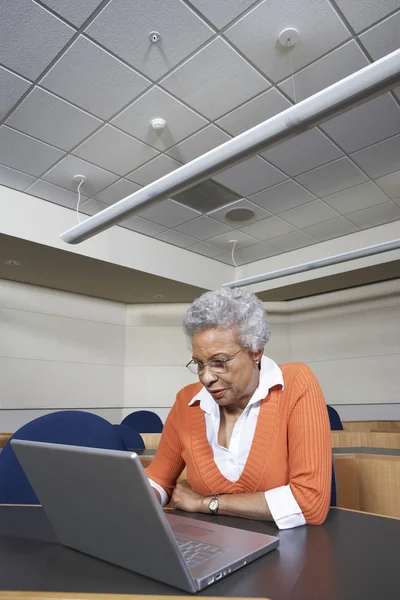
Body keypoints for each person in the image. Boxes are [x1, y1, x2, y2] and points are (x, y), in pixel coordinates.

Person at [146, 287, 332, 529]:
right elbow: (159, 479)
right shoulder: (186, 401)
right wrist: (140, 499)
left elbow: (310, 503)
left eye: (219, 363)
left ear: (256, 351)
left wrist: (206, 503)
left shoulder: (295, 383)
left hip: (285, 552)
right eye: (199, 364)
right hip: (208, 547)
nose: (206, 377)